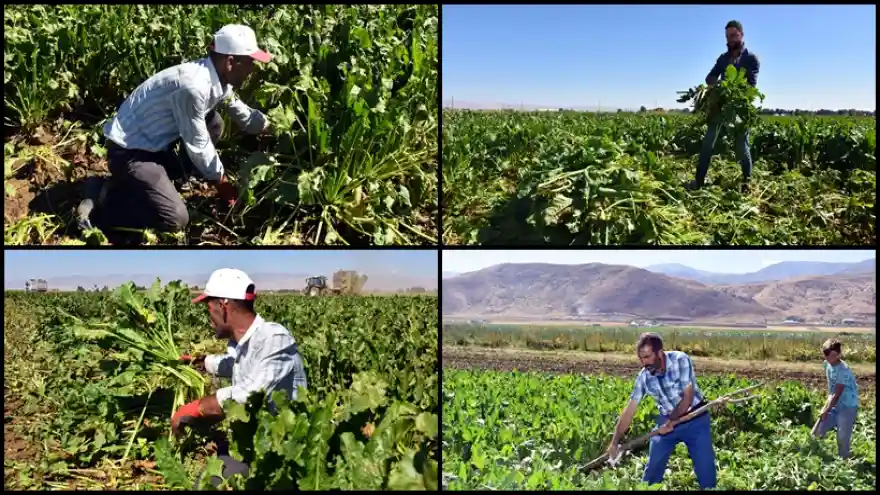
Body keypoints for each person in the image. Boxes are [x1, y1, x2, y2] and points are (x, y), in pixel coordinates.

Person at [76, 24, 273, 239]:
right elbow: (198, 144)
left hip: (157, 145)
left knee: (214, 122)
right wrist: (222, 183)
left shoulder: (218, 79)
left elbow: (244, 115)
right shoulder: (193, 87)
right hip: (131, 152)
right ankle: (104, 198)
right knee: (175, 219)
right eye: (250, 63)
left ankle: (165, 184)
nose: (253, 69)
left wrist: (271, 127)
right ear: (231, 62)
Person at [174, 268, 308, 487]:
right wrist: (200, 362)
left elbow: (247, 394)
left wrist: (195, 408)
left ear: (223, 306)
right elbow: (234, 364)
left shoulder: (274, 338)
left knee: (209, 482)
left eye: (209, 308)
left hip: (281, 449)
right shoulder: (245, 342)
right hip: (256, 439)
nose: (209, 318)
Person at [606, 333, 717, 489]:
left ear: (659, 353)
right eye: (641, 358)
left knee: (706, 468)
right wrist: (614, 441)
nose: (644, 362)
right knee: (653, 468)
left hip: (695, 418)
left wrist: (671, 421)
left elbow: (687, 398)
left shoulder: (680, 360)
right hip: (666, 423)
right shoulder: (644, 377)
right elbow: (629, 411)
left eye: (647, 357)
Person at [687, 20, 760, 193]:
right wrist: (718, 85)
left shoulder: (751, 59)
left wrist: (732, 86)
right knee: (708, 144)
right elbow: (709, 78)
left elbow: (750, 85)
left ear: (741, 35)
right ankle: (698, 182)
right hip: (720, 107)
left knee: (742, 147)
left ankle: (746, 184)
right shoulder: (723, 59)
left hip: (740, 109)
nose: (731, 39)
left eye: (734, 35)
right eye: (728, 36)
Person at [813, 338, 859, 458]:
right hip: (834, 403)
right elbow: (831, 389)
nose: (829, 359)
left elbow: (837, 393)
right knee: (818, 430)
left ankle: (844, 461)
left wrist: (826, 409)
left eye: (833, 355)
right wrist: (826, 406)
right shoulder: (827, 365)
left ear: (839, 354)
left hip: (848, 406)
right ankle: (817, 456)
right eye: (826, 355)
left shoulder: (843, 370)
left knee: (842, 437)